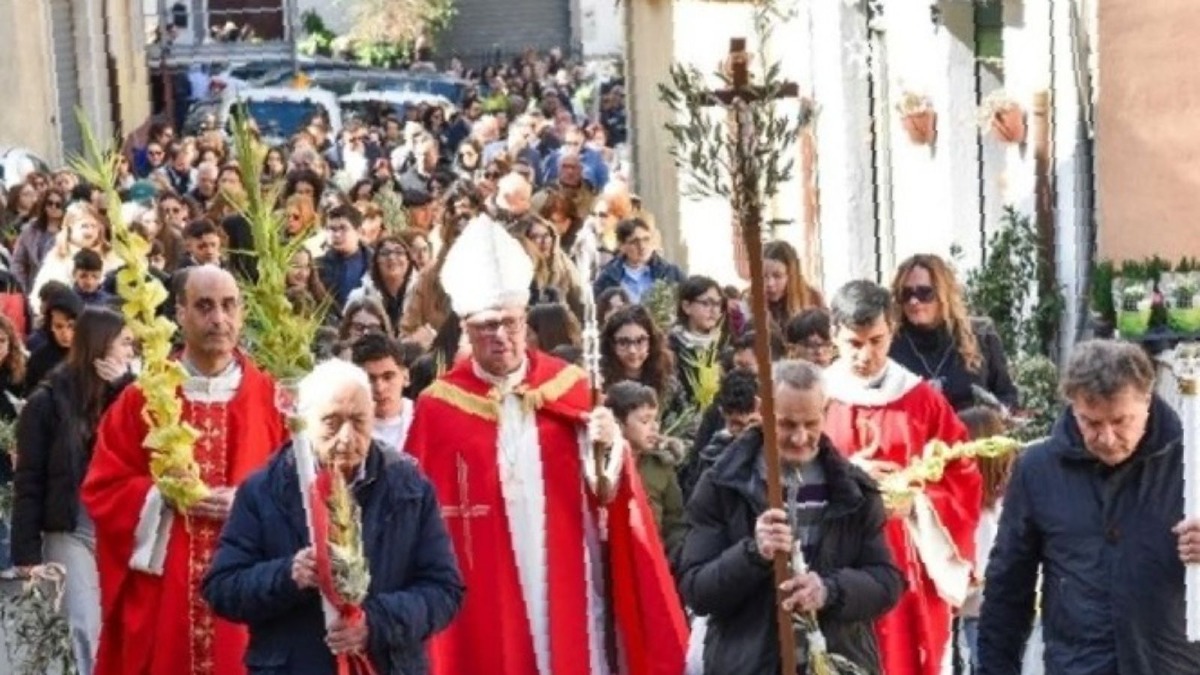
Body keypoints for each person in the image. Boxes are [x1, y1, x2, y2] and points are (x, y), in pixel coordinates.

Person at [405, 214, 687, 675]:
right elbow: (418, 512)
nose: (502, 336)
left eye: (511, 323)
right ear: (465, 328)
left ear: (526, 320)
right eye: (487, 326)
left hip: (568, 570)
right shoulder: (439, 409)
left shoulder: (569, 388)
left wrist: (610, 448)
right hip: (481, 586)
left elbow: (606, 494)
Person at [81, 265, 287, 675]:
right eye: (205, 306)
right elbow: (103, 488)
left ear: (242, 312)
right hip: (166, 588)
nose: (219, 319)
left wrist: (251, 502)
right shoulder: (143, 398)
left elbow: (301, 489)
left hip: (247, 585)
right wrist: (161, 497)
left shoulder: (272, 399)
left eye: (229, 306)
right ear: (180, 313)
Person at [202, 359, 464, 673]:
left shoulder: (409, 488)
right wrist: (288, 575)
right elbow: (223, 588)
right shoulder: (264, 490)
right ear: (305, 420)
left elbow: (443, 590)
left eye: (358, 421)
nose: (346, 437)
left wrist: (375, 623)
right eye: (331, 422)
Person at [978, 340, 1200, 674]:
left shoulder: (1192, 465)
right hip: (1079, 664)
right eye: (1092, 423)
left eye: (1121, 421)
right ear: (1073, 406)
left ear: (1148, 401)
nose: (1107, 438)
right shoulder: (1038, 470)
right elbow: (1008, 588)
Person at [678, 359, 903, 674]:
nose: (799, 438)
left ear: (825, 413)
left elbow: (887, 583)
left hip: (837, 661)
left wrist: (829, 590)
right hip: (749, 664)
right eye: (787, 424)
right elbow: (697, 590)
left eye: (810, 424)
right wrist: (752, 553)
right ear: (763, 412)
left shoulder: (854, 491)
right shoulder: (722, 484)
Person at [820, 280, 981, 675]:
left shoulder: (921, 399)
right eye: (853, 344)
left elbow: (963, 474)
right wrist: (851, 477)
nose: (866, 355)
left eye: (876, 340)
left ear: (892, 329)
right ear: (833, 336)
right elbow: (789, 469)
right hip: (834, 558)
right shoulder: (818, 396)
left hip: (904, 557)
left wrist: (918, 502)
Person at [11, 307, 134, 674]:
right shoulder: (46, 401)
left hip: (119, 529)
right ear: (101, 346)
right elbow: (29, 478)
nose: (131, 351)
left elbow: (146, 446)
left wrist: (124, 389)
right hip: (70, 527)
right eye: (125, 343)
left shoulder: (128, 394)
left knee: (123, 624)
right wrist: (26, 552)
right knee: (84, 626)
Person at [888, 254, 1018, 412]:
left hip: (972, 433)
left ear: (944, 294)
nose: (914, 301)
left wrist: (995, 414)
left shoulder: (981, 335)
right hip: (915, 434)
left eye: (924, 293)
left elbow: (1007, 395)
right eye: (906, 293)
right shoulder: (890, 343)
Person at [605, 381, 686, 563]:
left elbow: (675, 521)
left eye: (655, 419)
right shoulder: (601, 464)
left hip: (651, 557)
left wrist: (669, 558)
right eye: (644, 421)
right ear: (619, 423)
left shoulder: (661, 465)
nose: (654, 427)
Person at [350, 333, 419, 456]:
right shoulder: (347, 429)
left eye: (388, 377)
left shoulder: (422, 420)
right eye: (370, 379)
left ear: (405, 377)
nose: (379, 388)